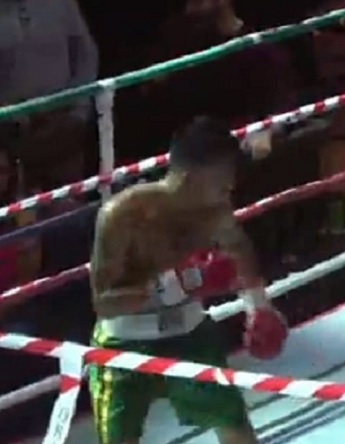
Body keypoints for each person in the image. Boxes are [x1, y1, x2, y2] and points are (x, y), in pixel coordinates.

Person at [88, 116, 289, 444]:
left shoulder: (214, 208)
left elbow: (239, 248)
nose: (231, 185)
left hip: (190, 335)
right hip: (124, 342)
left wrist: (259, 306)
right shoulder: (122, 216)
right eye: (224, 175)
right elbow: (103, 303)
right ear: (191, 176)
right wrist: (174, 282)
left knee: (236, 427)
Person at [0, 0, 98, 188]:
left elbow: (86, 56)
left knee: (69, 199)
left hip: (62, 125)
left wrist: (79, 113)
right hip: (10, 137)